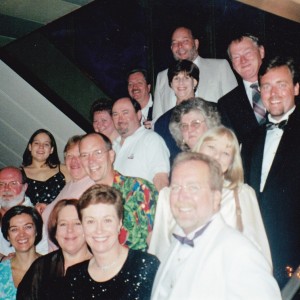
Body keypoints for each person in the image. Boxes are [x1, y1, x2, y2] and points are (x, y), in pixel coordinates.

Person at [151, 152, 281, 299]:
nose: (181, 196)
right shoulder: (175, 245)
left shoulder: (239, 252)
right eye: (175, 188)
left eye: (193, 187)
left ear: (216, 198)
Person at [149, 127, 271, 266]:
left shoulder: (243, 193)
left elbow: (259, 251)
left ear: (232, 161)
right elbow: (160, 251)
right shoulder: (169, 195)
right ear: (199, 149)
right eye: (211, 147)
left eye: (225, 152)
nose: (217, 155)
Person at [241, 56, 300, 288]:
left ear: (296, 88)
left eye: (281, 85)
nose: (273, 93)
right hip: (258, 258)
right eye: (266, 86)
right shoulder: (251, 138)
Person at [64, 184, 160, 299]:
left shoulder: (146, 266)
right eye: (91, 221)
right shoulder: (74, 276)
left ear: (119, 223)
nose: (99, 230)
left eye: (107, 220)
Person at [79, 132, 158, 251]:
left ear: (111, 156)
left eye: (98, 153)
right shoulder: (87, 202)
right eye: (84, 155)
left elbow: (158, 241)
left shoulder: (138, 190)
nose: (91, 161)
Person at [153, 26, 237, 120]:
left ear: (196, 44)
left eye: (185, 41)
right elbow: (157, 120)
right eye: (175, 43)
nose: (180, 46)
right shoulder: (162, 77)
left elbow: (235, 109)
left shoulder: (220, 67)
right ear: (171, 48)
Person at [17, 199, 92, 300]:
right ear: (55, 231)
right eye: (63, 224)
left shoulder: (102, 267)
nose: (70, 230)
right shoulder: (41, 267)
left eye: (77, 223)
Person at [42, 135, 95, 250]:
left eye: (80, 155)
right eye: (70, 156)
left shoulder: (93, 187)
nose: (74, 161)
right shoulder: (69, 185)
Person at [112, 97, 170, 191]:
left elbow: (161, 180)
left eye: (125, 112)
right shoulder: (112, 147)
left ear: (139, 115)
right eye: (115, 114)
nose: (120, 118)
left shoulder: (151, 140)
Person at [218, 33, 266, 144]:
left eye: (247, 53)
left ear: (261, 52)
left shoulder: (284, 88)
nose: (243, 60)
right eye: (236, 57)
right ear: (232, 64)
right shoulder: (226, 104)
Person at [154, 60, 199, 162]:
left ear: (194, 82)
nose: (181, 83)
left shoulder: (212, 111)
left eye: (186, 78)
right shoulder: (162, 123)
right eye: (176, 78)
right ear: (171, 84)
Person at [0, 166, 48, 257]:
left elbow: (44, 258)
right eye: (1, 184)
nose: (6, 189)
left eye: (13, 183)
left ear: (25, 187)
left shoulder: (39, 216)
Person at [21, 129, 70, 212]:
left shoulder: (64, 170)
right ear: (30, 147)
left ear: (51, 150)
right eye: (36, 143)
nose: (41, 147)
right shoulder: (19, 174)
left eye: (46, 144)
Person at [0, 206, 43, 299]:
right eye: (14, 229)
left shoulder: (53, 268)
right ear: (7, 235)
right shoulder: (1, 272)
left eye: (28, 227)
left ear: (36, 231)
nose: (22, 234)